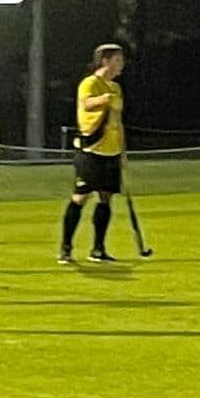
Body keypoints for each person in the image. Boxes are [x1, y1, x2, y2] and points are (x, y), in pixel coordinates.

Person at [60, 43, 127, 264]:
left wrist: (122, 151)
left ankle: (98, 248)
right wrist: (105, 99)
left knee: (106, 198)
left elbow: (118, 121)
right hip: (91, 150)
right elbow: (87, 104)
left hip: (111, 151)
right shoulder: (90, 83)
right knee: (80, 197)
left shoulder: (116, 88)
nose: (121, 64)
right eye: (117, 60)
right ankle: (66, 248)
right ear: (105, 61)